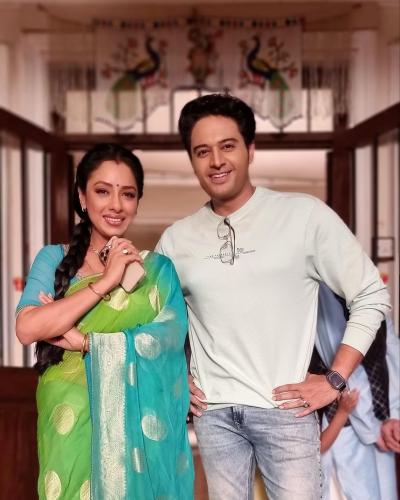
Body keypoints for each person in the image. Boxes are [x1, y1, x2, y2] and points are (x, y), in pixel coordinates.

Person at [155, 93, 391, 500]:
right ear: (192, 160)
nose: (216, 161)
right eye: (202, 151)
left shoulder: (304, 216)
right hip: (214, 415)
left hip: (287, 411)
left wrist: (335, 379)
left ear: (250, 150)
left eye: (228, 146)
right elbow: (156, 323)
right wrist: (175, 374)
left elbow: (371, 294)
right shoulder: (176, 240)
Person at [16, 143, 194, 500]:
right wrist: (106, 281)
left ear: (137, 202)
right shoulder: (54, 258)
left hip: (136, 425)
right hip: (69, 413)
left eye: (127, 194)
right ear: (82, 197)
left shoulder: (155, 272)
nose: (116, 205)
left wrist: (86, 342)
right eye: (102, 191)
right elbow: (27, 328)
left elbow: (168, 341)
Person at [314, 282, 399, 500]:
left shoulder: (373, 295)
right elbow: (343, 370)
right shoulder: (322, 296)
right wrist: (372, 429)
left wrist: (395, 416)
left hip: (380, 419)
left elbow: (393, 356)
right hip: (342, 423)